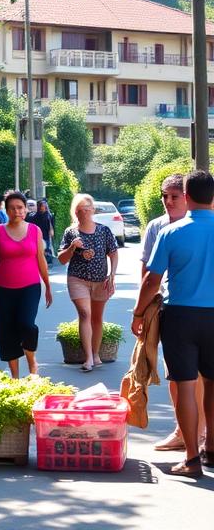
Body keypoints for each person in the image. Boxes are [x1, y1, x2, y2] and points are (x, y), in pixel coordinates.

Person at [135, 170, 214, 477]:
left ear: (188, 196)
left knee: (184, 385)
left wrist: (138, 313)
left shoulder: (171, 232)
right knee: (212, 384)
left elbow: (152, 280)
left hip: (181, 316)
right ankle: (212, 450)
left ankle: (191, 458)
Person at [0, 191, 53, 378]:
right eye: (12, 208)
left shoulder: (34, 231)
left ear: (25, 210)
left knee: (26, 324)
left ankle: (32, 362)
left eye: (20, 207)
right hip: (3, 289)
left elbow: (41, 260)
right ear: (7, 210)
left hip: (30, 287)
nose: (16, 211)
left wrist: (48, 286)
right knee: (6, 330)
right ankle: (15, 378)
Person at [58, 194, 118, 372]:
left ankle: (96, 353)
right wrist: (72, 247)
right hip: (77, 279)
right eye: (79, 210)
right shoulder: (71, 232)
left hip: (100, 280)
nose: (83, 213)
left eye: (86, 209)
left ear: (92, 210)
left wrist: (112, 275)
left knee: (97, 318)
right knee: (85, 314)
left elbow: (113, 253)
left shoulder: (103, 230)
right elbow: (62, 259)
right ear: (75, 212)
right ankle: (88, 358)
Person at [28, 198, 56, 264]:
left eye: (44, 206)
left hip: (46, 235)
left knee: (46, 249)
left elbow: (51, 224)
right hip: (37, 235)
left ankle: (46, 261)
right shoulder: (35, 216)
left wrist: (52, 230)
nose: (43, 207)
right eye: (42, 206)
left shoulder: (49, 215)